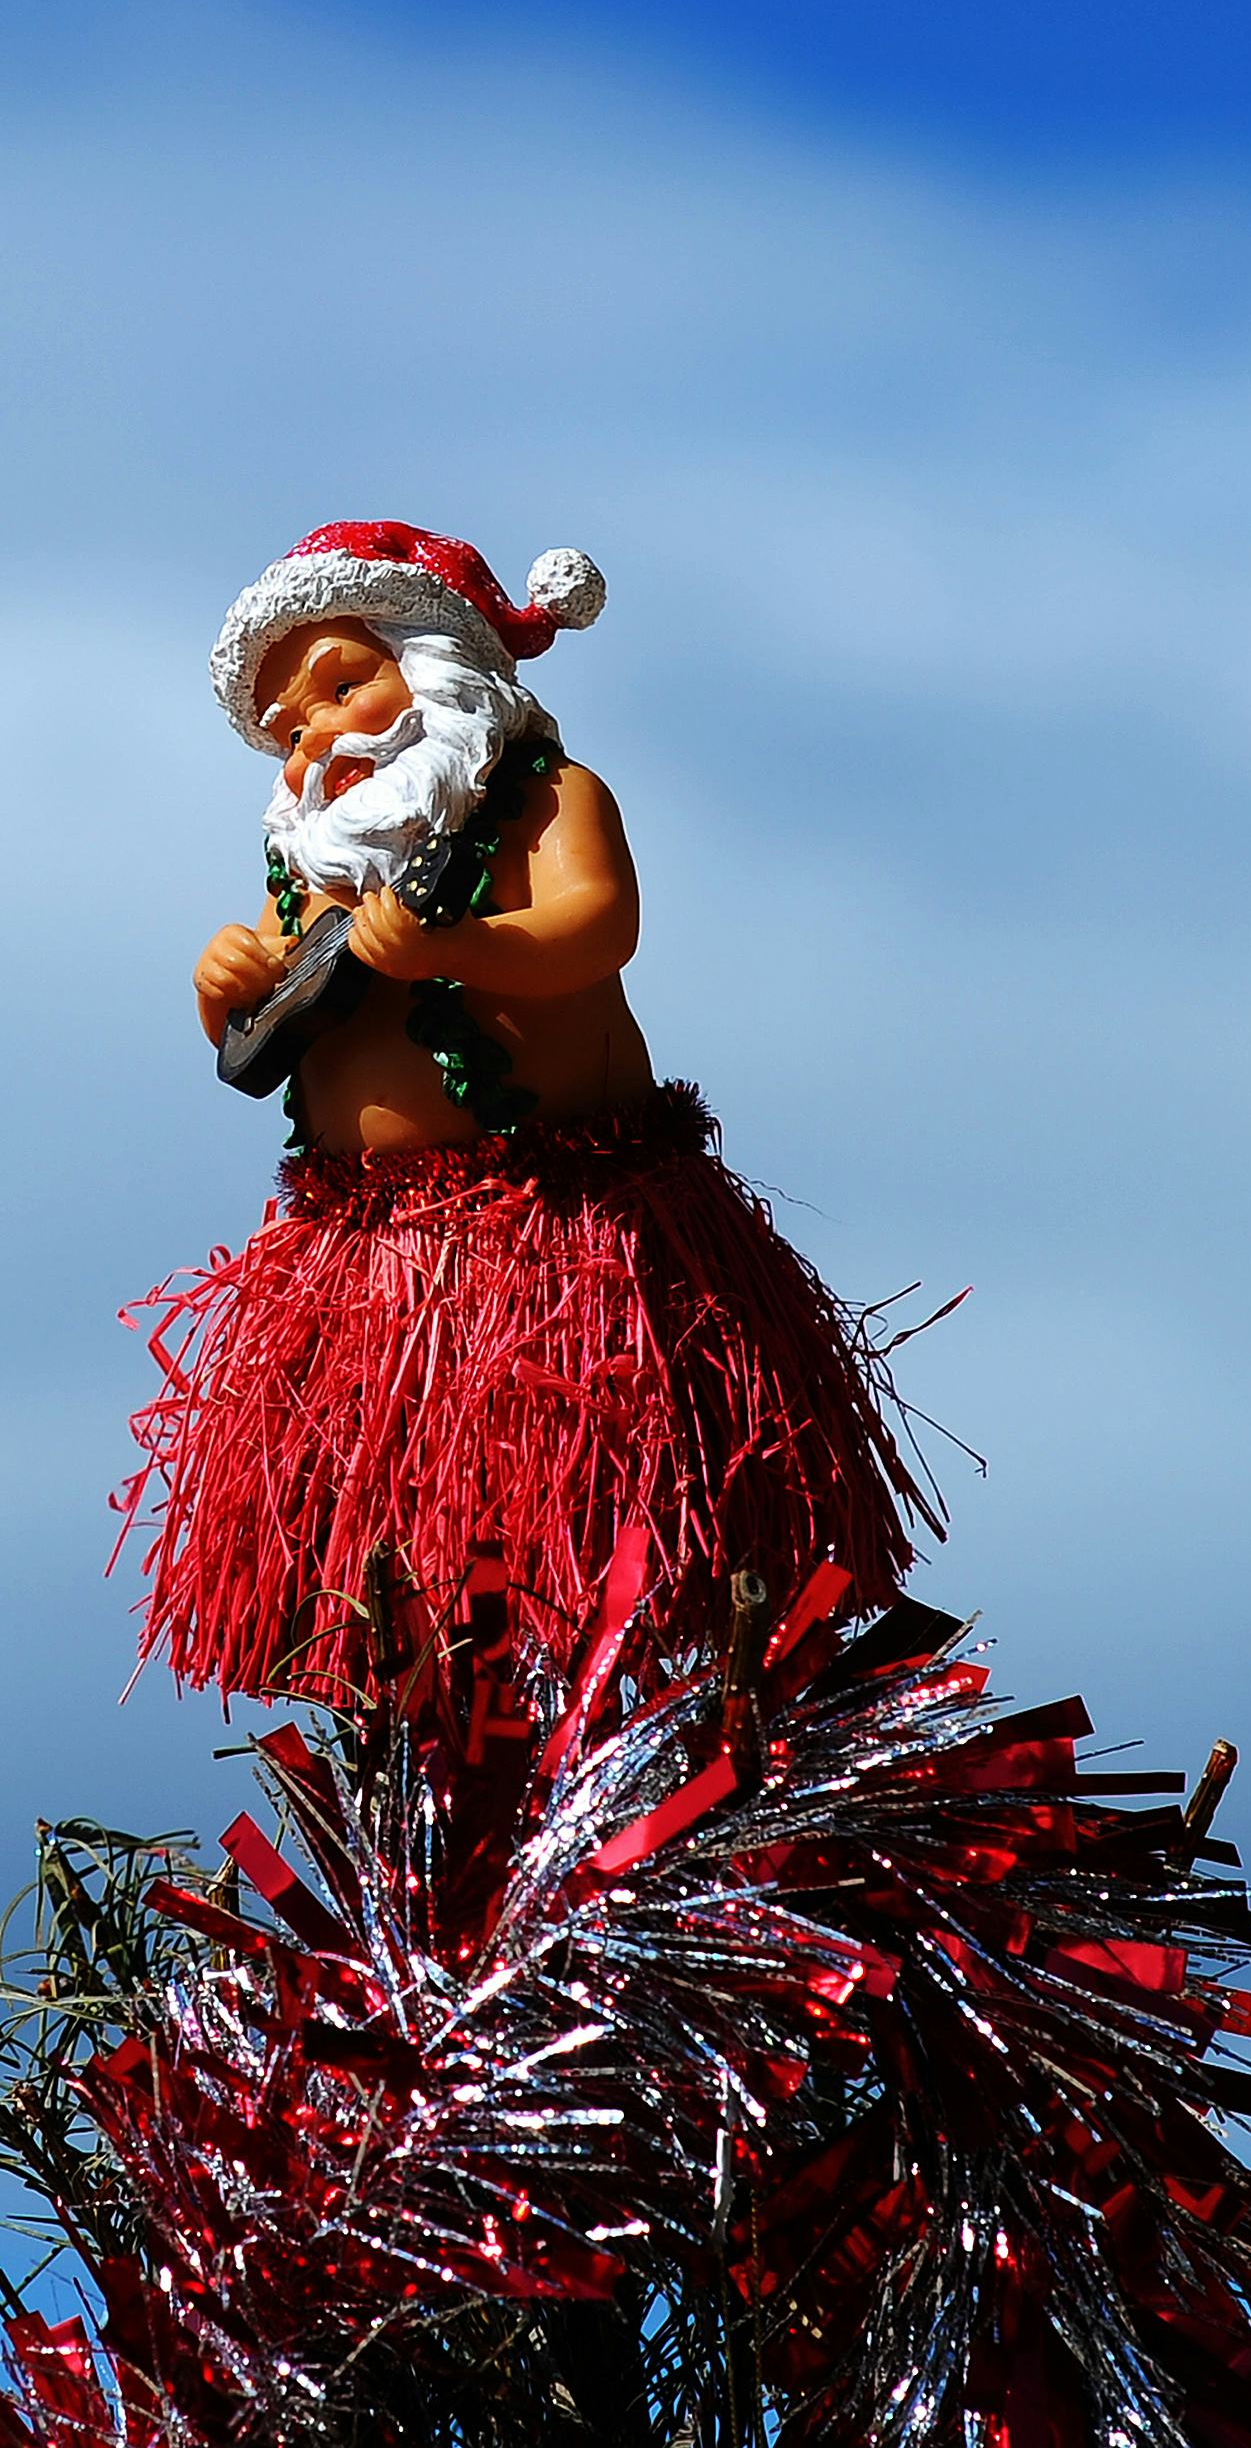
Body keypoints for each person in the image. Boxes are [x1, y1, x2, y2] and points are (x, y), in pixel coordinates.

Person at [126, 520, 931, 1700]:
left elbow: (598, 923)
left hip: (578, 1239)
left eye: (342, 688)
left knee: (610, 1512)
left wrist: (455, 946)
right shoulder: (316, 873)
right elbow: (264, 1031)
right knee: (401, 1553)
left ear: (438, 663)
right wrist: (225, 985)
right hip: (377, 1269)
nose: (318, 742)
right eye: (290, 731)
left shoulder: (547, 797)